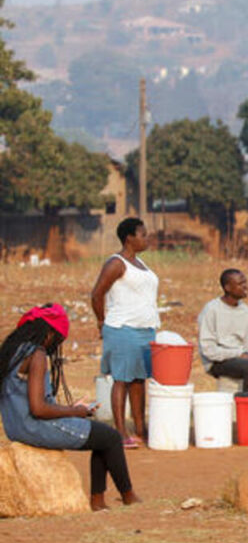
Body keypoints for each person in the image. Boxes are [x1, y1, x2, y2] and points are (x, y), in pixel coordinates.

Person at [0, 304, 141, 511]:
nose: (54, 347)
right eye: (57, 341)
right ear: (49, 334)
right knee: (110, 438)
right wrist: (77, 412)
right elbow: (38, 408)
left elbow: (27, 400)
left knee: (101, 437)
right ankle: (127, 496)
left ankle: (99, 501)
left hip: (16, 427)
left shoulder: (12, 351)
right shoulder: (36, 354)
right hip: (35, 426)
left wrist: (69, 408)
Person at [90, 217, 159, 449]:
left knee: (139, 380)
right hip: (122, 329)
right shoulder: (116, 263)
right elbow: (97, 294)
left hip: (145, 330)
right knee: (122, 379)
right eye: (142, 234)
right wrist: (101, 321)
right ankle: (119, 432)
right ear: (129, 238)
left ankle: (140, 429)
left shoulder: (141, 264)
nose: (146, 238)